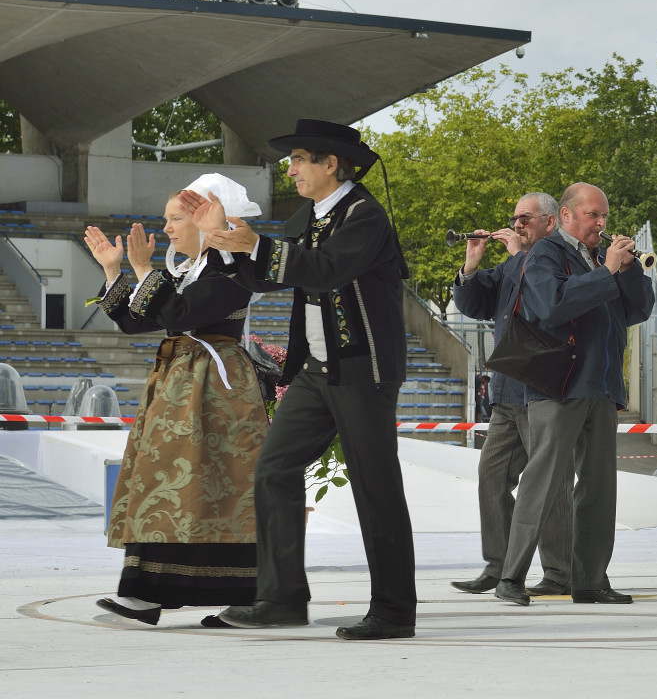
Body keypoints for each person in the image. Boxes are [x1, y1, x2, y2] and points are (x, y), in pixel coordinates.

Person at [188, 119, 418, 640]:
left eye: (297, 160)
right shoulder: (311, 215)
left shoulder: (364, 215)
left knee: (375, 488)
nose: (289, 170)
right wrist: (222, 240)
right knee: (273, 469)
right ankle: (281, 599)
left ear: (330, 164)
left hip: (362, 370)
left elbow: (324, 269)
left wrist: (254, 243)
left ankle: (394, 611)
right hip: (318, 370)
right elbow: (267, 275)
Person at [84, 175, 269, 627]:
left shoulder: (232, 267)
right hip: (181, 384)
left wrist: (143, 270)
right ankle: (146, 592)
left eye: (175, 219)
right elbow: (136, 321)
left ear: (208, 219)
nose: (166, 228)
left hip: (216, 388)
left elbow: (181, 314)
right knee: (168, 483)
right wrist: (114, 271)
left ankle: (244, 595)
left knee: (221, 484)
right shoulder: (188, 270)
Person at [494, 183, 655, 607]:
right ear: (565, 216)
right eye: (592, 215)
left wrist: (629, 270)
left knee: (599, 488)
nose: (601, 223)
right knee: (543, 481)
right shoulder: (546, 253)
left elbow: (638, 310)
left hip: (602, 385)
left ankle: (590, 580)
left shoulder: (604, 259)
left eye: (604, 216)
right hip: (560, 385)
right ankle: (510, 577)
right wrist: (606, 273)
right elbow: (552, 306)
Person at [450, 193, 573, 597]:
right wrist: (471, 264)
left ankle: (560, 572)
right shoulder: (511, 264)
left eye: (525, 218)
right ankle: (499, 566)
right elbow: (473, 304)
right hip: (507, 389)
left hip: (543, 388)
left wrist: (519, 255)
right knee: (492, 475)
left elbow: (543, 302)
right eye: (515, 218)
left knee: (550, 484)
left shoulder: (559, 257)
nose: (516, 225)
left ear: (550, 222)